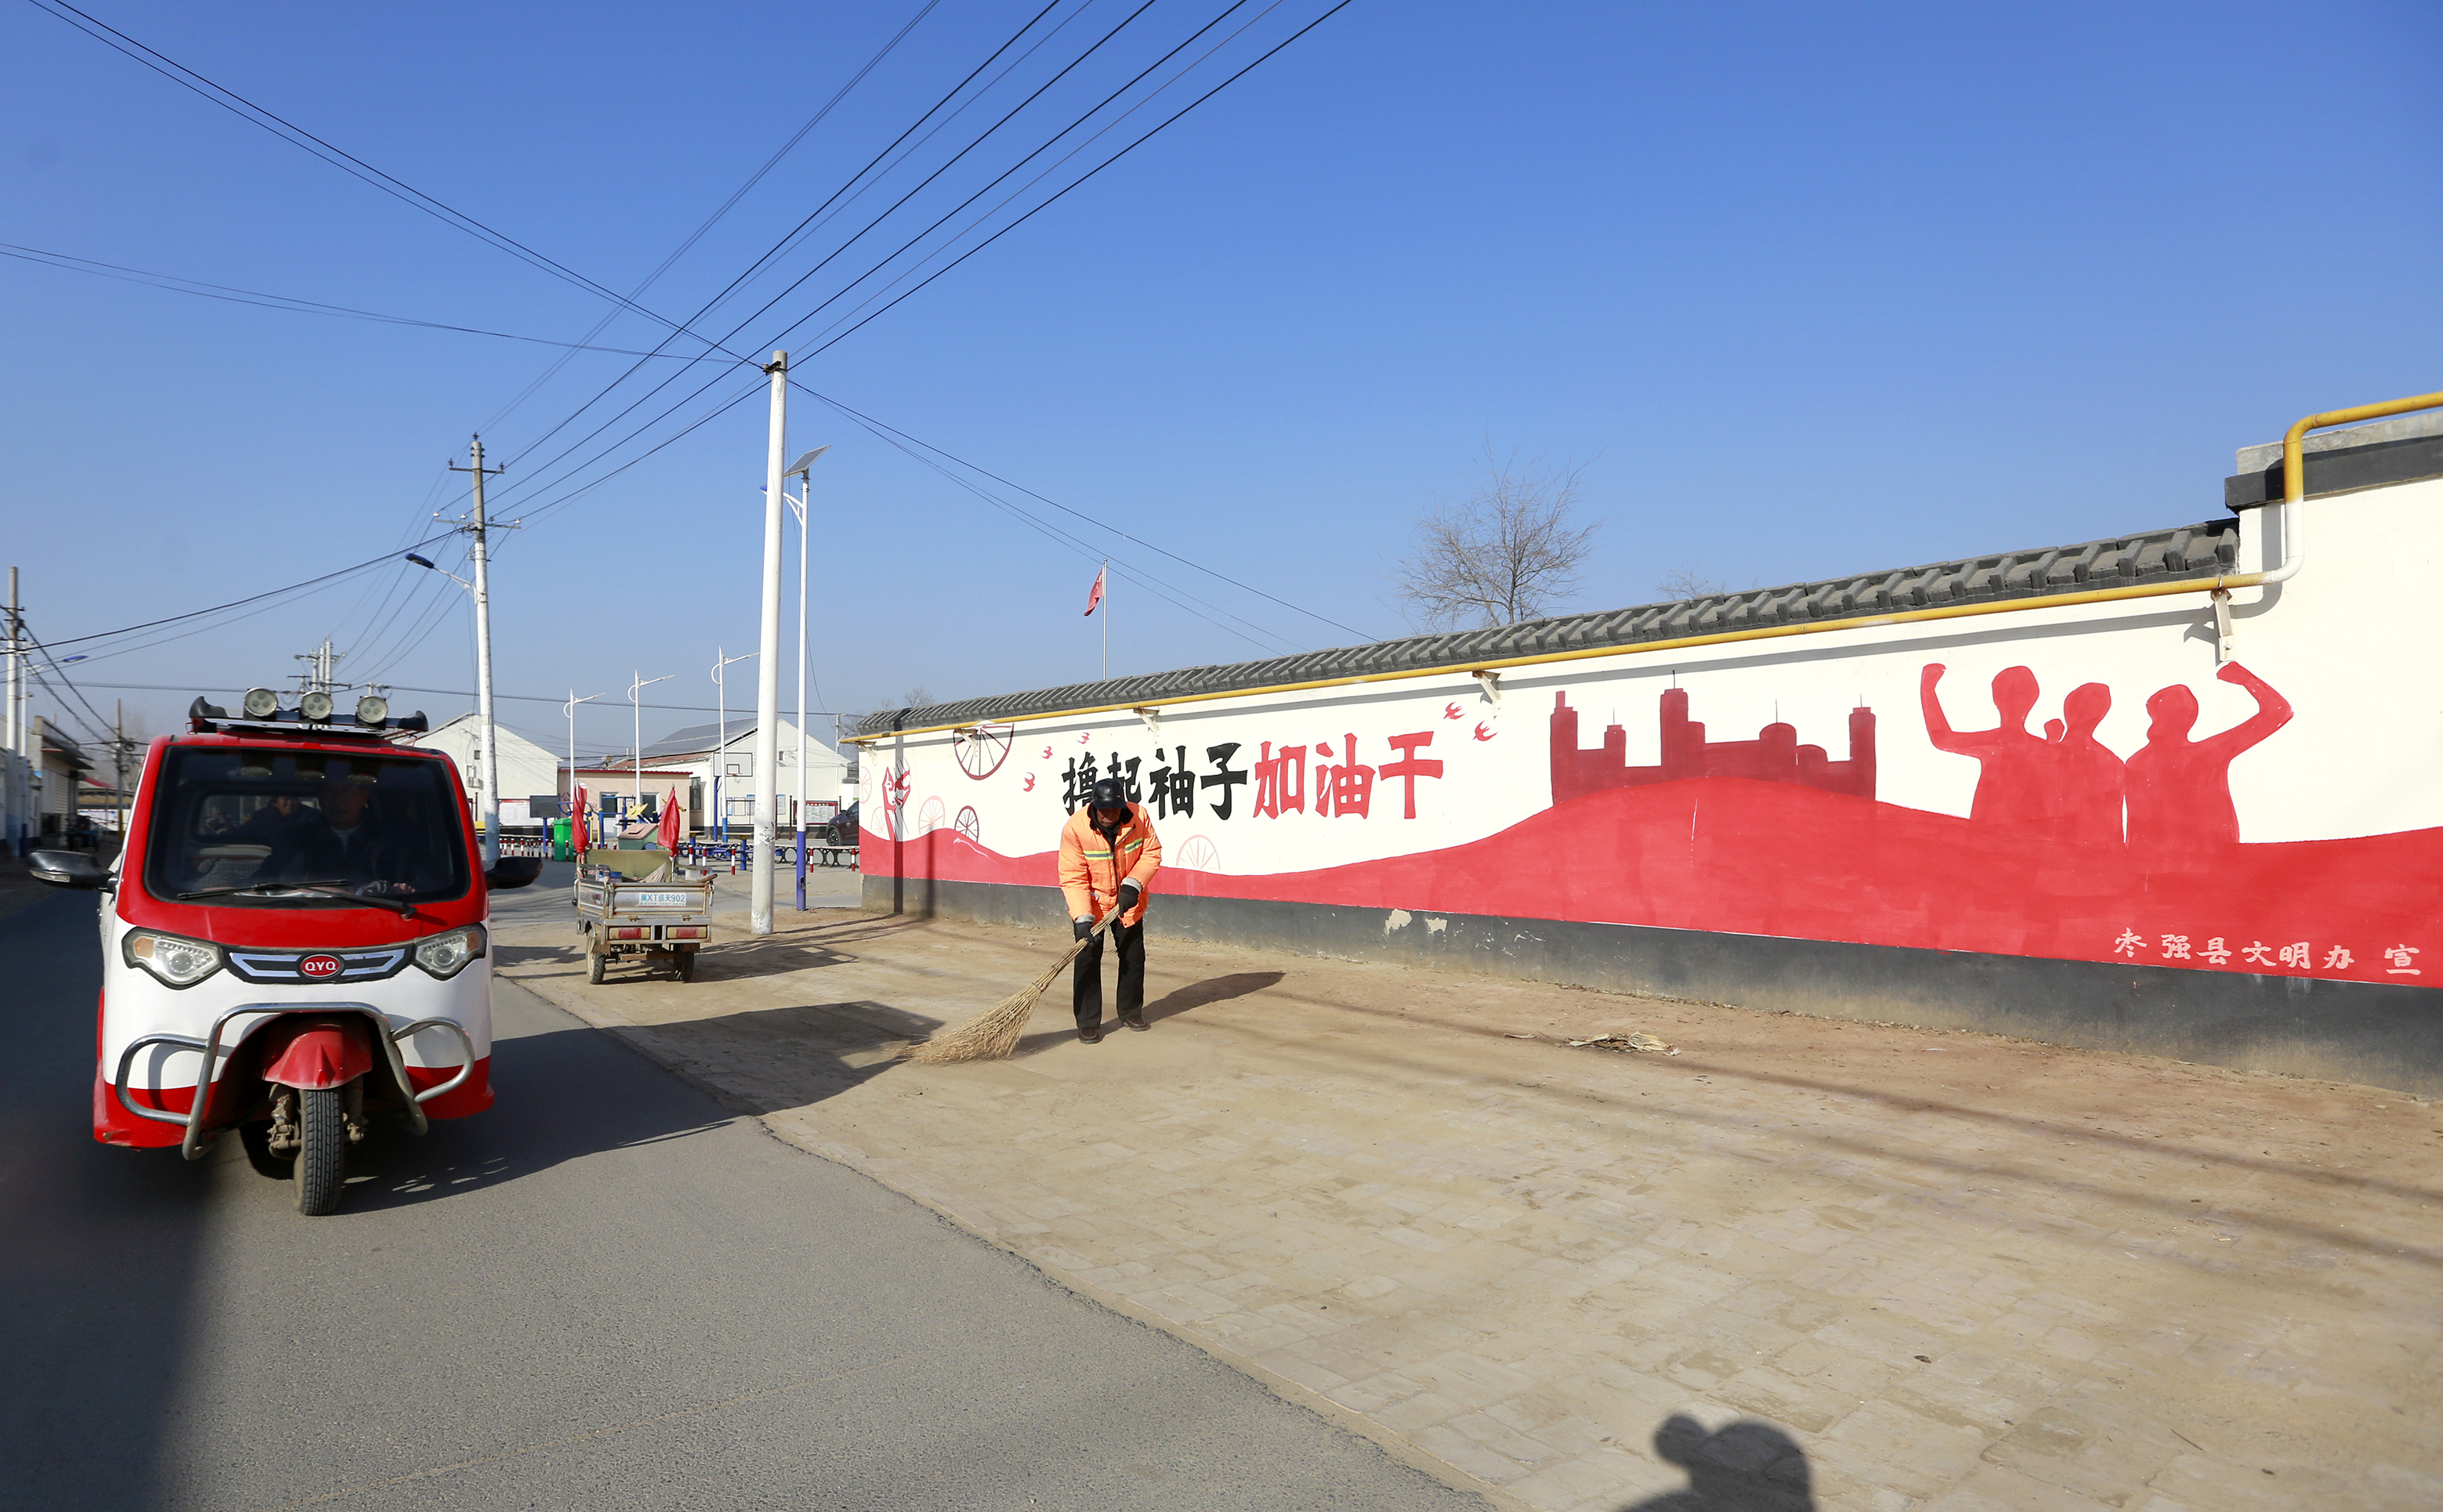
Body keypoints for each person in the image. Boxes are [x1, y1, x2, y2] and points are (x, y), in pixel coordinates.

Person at [1058, 776, 1163, 1044]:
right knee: (1087, 960)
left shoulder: (1139, 817)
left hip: (1128, 902)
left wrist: (1133, 884)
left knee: (1133, 957)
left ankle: (1130, 1012)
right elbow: (1073, 877)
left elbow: (1151, 853)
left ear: (1122, 806)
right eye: (1103, 811)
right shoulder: (1076, 828)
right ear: (1094, 805)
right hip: (1092, 905)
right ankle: (1088, 1022)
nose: (1108, 816)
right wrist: (1082, 917)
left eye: (1114, 810)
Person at [260, 774, 428, 895]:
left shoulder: (398, 840)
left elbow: (432, 883)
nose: (338, 799)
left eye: (347, 791)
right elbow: (260, 884)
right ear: (319, 797)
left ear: (365, 796)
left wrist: (408, 888)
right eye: (330, 791)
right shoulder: (292, 841)